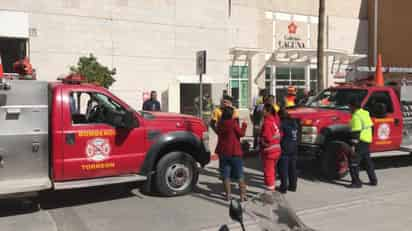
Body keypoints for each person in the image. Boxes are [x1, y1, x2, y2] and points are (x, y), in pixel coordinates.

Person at [215, 106, 248, 201]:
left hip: (223, 152)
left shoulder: (220, 123)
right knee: (240, 175)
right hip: (234, 152)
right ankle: (243, 196)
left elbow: (217, 131)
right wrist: (244, 125)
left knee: (225, 175)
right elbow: (241, 134)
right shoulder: (233, 123)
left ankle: (228, 195)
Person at [347, 97, 377, 188]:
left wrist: (353, 146)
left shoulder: (356, 116)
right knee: (367, 162)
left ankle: (356, 182)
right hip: (367, 141)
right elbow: (371, 127)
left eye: (349, 107)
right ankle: (373, 180)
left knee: (353, 162)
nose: (349, 109)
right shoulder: (365, 113)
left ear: (353, 107)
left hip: (360, 142)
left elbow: (356, 132)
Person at [260, 103, 282, 191]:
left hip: (269, 151)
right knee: (271, 170)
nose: (262, 111)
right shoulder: (273, 120)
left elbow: (267, 138)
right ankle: (270, 187)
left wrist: (261, 140)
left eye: (263, 110)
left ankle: (270, 191)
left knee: (268, 171)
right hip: (276, 149)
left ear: (267, 111)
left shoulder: (267, 123)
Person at [278, 109, 299, 193]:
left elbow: (279, 136)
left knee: (283, 168)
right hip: (294, 147)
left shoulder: (282, 124)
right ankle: (293, 186)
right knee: (292, 168)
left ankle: (283, 187)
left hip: (285, 148)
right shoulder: (294, 123)